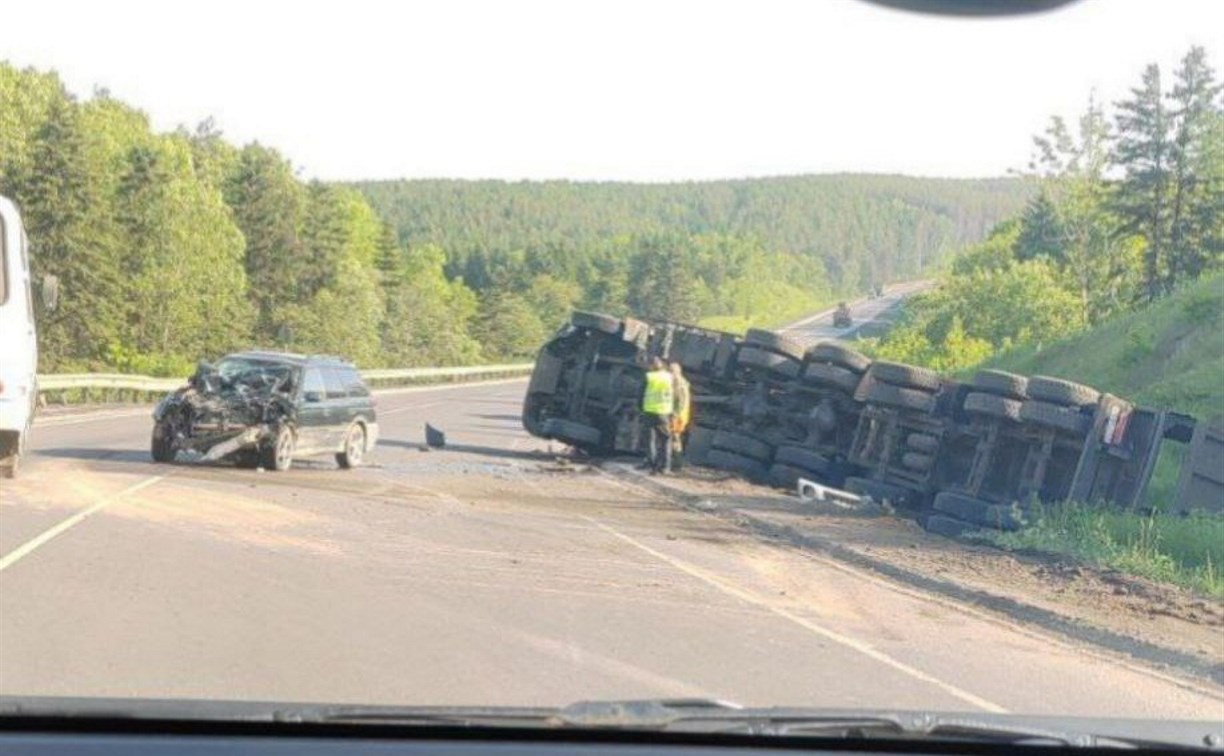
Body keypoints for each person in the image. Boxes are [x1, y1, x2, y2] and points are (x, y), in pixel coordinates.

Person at [640, 357, 675, 474]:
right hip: (664, 412)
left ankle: (652, 465)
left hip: (649, 411)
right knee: (666, 439)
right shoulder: (670, 378)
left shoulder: (649, 377)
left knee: (650, 439)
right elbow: (675, 395)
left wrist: (641, 408)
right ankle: (665, 466)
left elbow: (640, 394)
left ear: (652, 366)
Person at [669, 362, 692, 465]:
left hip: (678, 416)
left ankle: (677, 462)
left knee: (674, 438)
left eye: (670, 370)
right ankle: (675, 461)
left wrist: (675, 414)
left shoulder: (679, 383)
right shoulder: (682, 382)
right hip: (680, 415)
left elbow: (681, 402)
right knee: (674, 438)